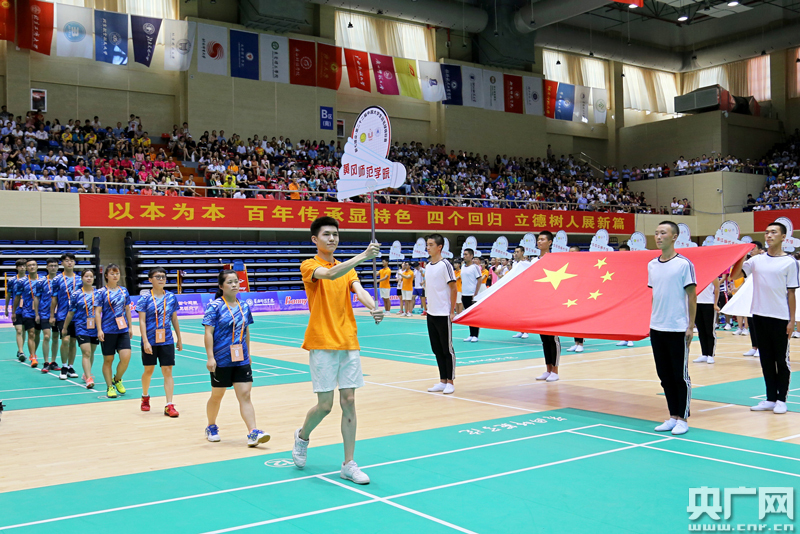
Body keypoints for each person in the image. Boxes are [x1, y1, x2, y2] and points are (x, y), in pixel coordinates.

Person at [292, 216, 383, 485]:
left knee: (349, 401)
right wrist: (364, 255)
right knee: (325, 406)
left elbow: (359, 290)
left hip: (348, 340)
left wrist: (373, 307)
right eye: (327, 234)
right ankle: (302, 436)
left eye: (335, 234)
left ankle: (348, 464)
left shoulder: (348, 269)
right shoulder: (310, 266)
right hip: (322, 341)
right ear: (315, 239)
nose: (332, 238)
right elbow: (331, 274)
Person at [731, 222, 797, 415]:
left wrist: (792, 321)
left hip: (780, 317)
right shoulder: (756, 260)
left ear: (783, 237)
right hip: (759, 316)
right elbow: (734, 275)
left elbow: (791, 294)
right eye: (767, 232)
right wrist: (742, 254)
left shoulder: (790, 262)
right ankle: (770, 398)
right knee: (766, 359)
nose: (769, 235)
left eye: (773, 232)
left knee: (781, 360)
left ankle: (781, 399)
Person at [203, 270, 269, 446]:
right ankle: (211, 426)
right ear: (221, 286)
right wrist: (210, 357)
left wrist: (248, 353)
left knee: (245, 395)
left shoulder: (244, 306)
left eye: (236, 281)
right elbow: (208, 332)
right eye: (230, 282)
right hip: (221, 359)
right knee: (217, 395)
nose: (234, 285)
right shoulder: (214, 306)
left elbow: (245, 330)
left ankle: (253, 432)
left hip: (241, 358)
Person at [649, 221, 696, 435]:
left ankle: (683, 418)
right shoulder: (652, 265)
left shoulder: (684, 264)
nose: (658, 237)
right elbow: (655, 295)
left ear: (674, 237)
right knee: (664, 375)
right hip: (657, 327)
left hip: (677, 328)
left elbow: (692, 297)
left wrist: (690, 326)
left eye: (663, 233)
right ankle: (673, 416)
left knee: (680, 376)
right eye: (656, 233)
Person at [136, 267, 183, 417]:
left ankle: (169, 405)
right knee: (148, 371)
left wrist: (179, 338)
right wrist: (145, 341)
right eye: (158, 276)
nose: (161, 279)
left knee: (167, 370)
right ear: (150, 279)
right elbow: (142, 321)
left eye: (163, 276)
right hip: (150, 340)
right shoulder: (144, 299)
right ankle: (145, 397)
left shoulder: (171, 297)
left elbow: (174, 318)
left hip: (166, 339)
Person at [424, 234, 457, 395]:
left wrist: (451, 311)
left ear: (439, 247)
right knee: (436, 349)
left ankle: (450, 381)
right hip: (431, 313)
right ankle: (442, 380)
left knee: (446, 349)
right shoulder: (428, 266)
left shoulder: (445, 265)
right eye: (427, 244)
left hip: (443, 313)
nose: (428, 247)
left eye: (431, 244)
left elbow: (453, 288)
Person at [95, 264, 133, 399]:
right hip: (107, 330)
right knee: (108, 359)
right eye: (112, 273)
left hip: (122, 329)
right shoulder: (101, 292)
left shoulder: (124, 291)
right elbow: (97, 312)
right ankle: (109, 386)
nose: (115, 276)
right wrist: (99, 330)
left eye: (117, 273)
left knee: (126, 357)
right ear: (106, 276)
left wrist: (130, 327)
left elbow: (127, 309)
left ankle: (117, 379)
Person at [61, 269, 100, 389]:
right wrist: (65, 327)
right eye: (86, 276)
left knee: (91, 352)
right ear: (82, 278)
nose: (89, 278)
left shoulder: (99, 294)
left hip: (95, 326)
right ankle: (89, 378)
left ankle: (86, 373)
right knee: (86, 352)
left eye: (91, 276)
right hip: (81, 326)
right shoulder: (76, 294)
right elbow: (70, 312)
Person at [534, 232, 563, 382]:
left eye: (542, 239)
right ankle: (548, 369)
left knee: (553, 338)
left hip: (552, 304)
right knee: (544, 339)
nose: (539, 242)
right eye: (538, 239)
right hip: (539, 304)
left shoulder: (555, 260)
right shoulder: (534, 261)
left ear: (550, 242)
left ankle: (555, 371)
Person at [52, 253, 80, 380]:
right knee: (65, 340)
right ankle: (63, 366)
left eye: (72, 260)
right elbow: (54, 298)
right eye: (67, 260)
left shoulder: (79, 279)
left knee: (73, 341)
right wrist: (52, 315)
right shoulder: (57, 280)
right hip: (62, 315)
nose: (70, 263)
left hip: (77, 315)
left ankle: (70, 366)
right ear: (62, 263)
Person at [13, 259, 44, 368]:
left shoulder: (43, 280)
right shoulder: (22, 281)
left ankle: (33, 353)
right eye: (29, 265)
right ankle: (33, 356)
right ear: (27, 268)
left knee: (37, 333)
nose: (32, 267)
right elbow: (17, 297)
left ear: (37, 266)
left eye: (34, 265)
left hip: (40, 311)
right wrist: (13, 311)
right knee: (31, 333)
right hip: (27, 311)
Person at [34, 257, 59, 372]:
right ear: (47, 267)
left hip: (58, 313)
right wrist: (36, 314)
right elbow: (36, 298)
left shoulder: (61, 280)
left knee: (55, 337)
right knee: (47, 336)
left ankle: (53, 362)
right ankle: (46, 362)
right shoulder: (41, 281)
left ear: (58, 267)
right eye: (51, 266)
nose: (53, 267)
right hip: (44, 313)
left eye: (55, 265)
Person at [692, 278, 720, 364]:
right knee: (701, 330)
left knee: (709, 330)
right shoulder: (695, 275)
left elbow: (717, 288)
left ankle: (710, 355)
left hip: (709, 303)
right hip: (697, 304)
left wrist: (715, 304)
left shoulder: (712, 275)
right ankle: (704, 353)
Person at [5, 259, 27, 362]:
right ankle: (21, 352)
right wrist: (6, 308)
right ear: (17, 268)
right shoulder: (12, 280)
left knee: (24, 331)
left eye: (24, 266)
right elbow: (8, 295)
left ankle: (20, 349)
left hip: (27, 309)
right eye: (20, 266)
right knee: (19, 330)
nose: (22, 267)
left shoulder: (29, 280)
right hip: (16, 309)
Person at [510, 246, 532, 340]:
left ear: (522, 252)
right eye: (515, 252)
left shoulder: (527, 264)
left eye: (518, 252)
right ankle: (520, 330)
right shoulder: (514, 264)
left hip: (525, 290)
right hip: (515, 289)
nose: (516, 254)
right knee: (517, 311)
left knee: (525, 311)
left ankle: (526, 331)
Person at [460, 249, 482, 342]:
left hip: (472, 295)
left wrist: (475, 293)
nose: (464, 256)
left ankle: (475, 335)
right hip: (464, 294)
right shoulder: (463, 267)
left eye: (466, 254)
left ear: (471, 256)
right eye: (463, 254)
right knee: (468, 315)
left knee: (474, 315)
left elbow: (479, 279)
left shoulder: (475, 267)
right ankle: (471, 334)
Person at [616, 244, 635, 348]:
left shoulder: (632, 264)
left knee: (630, 317)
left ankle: (631, 338)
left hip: (631, 295)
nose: (621, 254)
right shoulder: (619, 265)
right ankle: (624, 337)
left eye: (623, 252)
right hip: (621, 294)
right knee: (622, 316)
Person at [566, 245, 585, 353]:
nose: (571, 254)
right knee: (573, 322)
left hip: (580, 296)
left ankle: (581, 344)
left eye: (573, 252)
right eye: (569, 252)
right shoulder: (569, 266)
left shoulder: (582, 265)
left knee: (579, 322)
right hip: (571, 296)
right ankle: (576, 343)